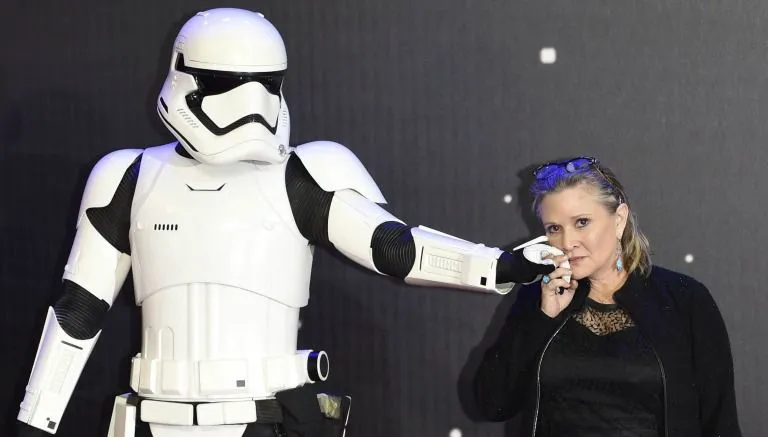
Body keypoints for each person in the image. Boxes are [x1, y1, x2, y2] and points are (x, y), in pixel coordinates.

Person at [14, 8, 552, 437]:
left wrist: (502, 265)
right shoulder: (129, 176)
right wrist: (37, 419)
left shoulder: (304, 174)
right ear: (185, 78)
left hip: (266, 416)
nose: (250, 103)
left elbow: (395, 248)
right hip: (154, 417)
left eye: (266, 84)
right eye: (227, 83)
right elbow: (79, 309)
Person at [472, 156, 741, 436]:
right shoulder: (538, 298)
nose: (567, 242)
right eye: (554, 228)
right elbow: (491, 404)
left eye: (582, 222)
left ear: (619, 219)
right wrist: (542, 318)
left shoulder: (684, 299)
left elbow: (720, 420)